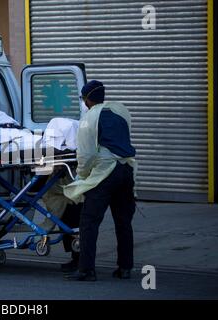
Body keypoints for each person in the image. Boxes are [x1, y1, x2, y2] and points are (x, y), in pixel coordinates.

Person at [63, 80, 137, 281]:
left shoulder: (89, 118)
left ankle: (86, 270)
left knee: (88, 222)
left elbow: (85, 155)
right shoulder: (118, 113)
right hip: (126, 170)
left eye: (82, 98)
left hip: (105, 173)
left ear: (87, 99)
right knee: (123, 222)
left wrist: (83, 176)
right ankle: (125, 268)